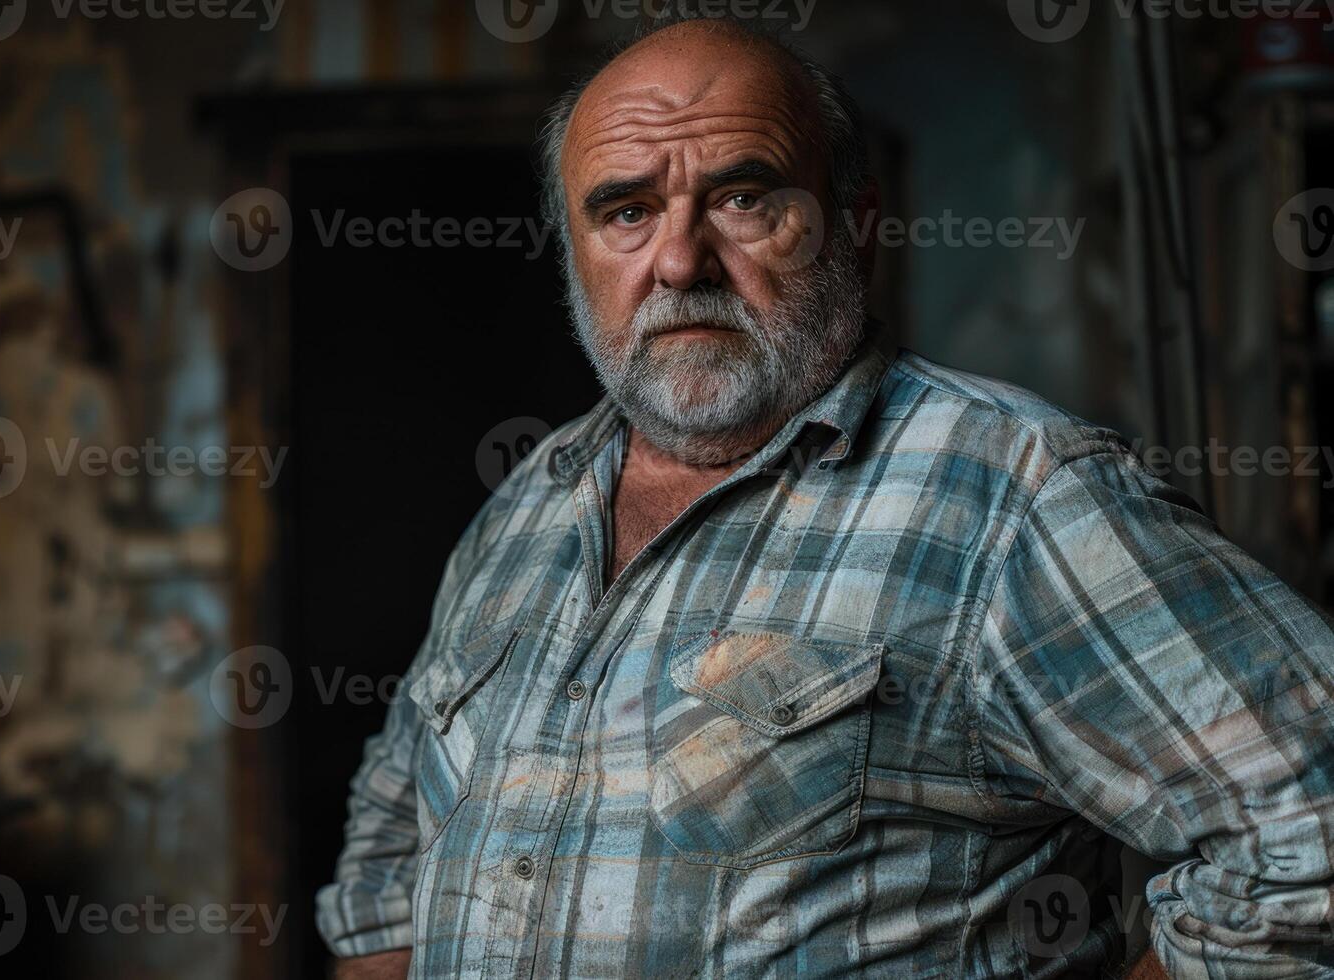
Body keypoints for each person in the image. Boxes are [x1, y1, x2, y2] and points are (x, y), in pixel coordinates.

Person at [316, 16, 1334, 978]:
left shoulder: (1013, 495)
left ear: (856, 225)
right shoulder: (527, 508)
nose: (678, 261)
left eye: (744, 198)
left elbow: (1312, 834)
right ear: (575, 253)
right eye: (626, 211)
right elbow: (389, 855)